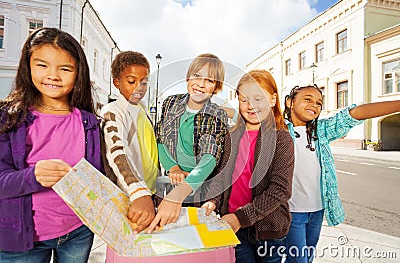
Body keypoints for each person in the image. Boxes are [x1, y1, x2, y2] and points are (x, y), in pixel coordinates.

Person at [0, 27, 101, 262]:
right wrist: (33, 176)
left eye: (65, 69)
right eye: (42, 65)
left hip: (78, 231)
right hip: (22, 240)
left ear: (78, 73)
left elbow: (99, 177)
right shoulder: (8, 118)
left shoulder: (90, 122)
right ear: (28, 66)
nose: (53, 75)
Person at [283, 84, 400, 263]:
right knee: (298, 260)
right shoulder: (279, 131)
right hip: (291, 212)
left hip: (317, 210)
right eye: (307, 99)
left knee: (307, 256)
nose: (314, 105)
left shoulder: (320, 131)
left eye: (319, 103)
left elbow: (353, 114)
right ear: (290, 102)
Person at [202, 70, 295, 263]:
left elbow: (280, 190)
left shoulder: (281, 138)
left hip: (268, 231)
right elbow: (222, 176)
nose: (250, 106)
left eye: (258, 98)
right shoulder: (231, 136)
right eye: (244, 99)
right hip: (233, 227)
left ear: (272, 100)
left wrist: (241, 217)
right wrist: (213, 201)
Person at [147, 53, 229, 233]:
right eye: (197, 76)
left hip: (200, 186)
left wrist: (181, 192)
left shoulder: (217, 114)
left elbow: (210, 157)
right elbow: (162, 138)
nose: (200, 84)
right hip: (170, 180)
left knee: (192, 235)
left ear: (216, 86)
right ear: (188, 77)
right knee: (165, 232)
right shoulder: (171, 103)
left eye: (209, 80)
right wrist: (173, 168)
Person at [100, 51, 159, 233]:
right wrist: (138, 191)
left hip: (150, 192)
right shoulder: (112, 111)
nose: (139, 88)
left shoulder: (142, 110)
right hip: (131, 196)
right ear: (117, 82)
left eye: (144, 82)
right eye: (132, 81)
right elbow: (118, 152)